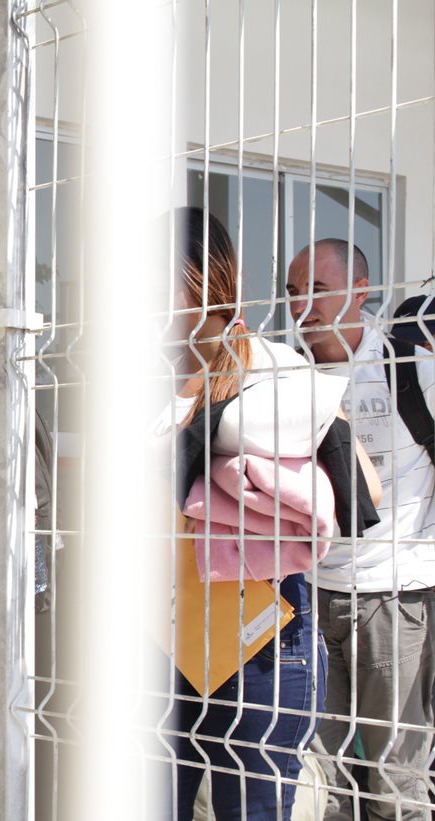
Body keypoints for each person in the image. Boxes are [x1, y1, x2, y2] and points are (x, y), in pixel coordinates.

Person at [162, 208, 373, 820]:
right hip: (161, 630)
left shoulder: (275, 369)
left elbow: (365, 492)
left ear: (205, 279)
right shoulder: (132, 377)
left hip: (263, 634)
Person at [286, 239, 435, 821]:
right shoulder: (288, 371)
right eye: (294, 293)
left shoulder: (407, 361)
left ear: (361, 292)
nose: (302, 307)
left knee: (396, 779)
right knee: (323, 780)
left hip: (396, 595)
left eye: (318, 291)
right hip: (308, 595)